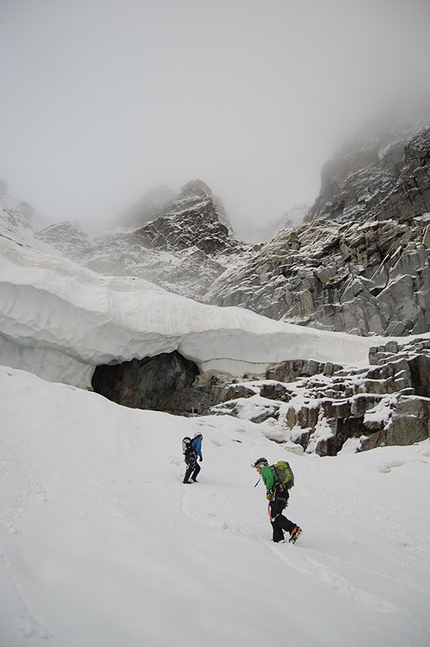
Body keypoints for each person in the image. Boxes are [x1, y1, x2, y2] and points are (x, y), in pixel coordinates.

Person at [252, 457, 301, 543]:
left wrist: (269, 491)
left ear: (261, 466)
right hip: (281, 493)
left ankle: (293, 528)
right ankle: (278, 538)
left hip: (279, 493)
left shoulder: (266, 469)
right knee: (274, 516)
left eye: (257, 468)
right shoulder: (269, 469)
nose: (257, 470)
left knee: (275, 515)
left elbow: (270, 478)